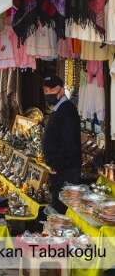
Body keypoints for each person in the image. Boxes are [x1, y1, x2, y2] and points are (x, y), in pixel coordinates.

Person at [42, 74, 82, 212]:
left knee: (63, 209)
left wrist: (57, 165)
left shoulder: (67, 111)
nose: (48, 94)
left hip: (66, 171)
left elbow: (69, 144)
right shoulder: (58, 109)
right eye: (46, 91)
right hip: (60, 169)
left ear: (61, 90)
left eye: (52, 90)